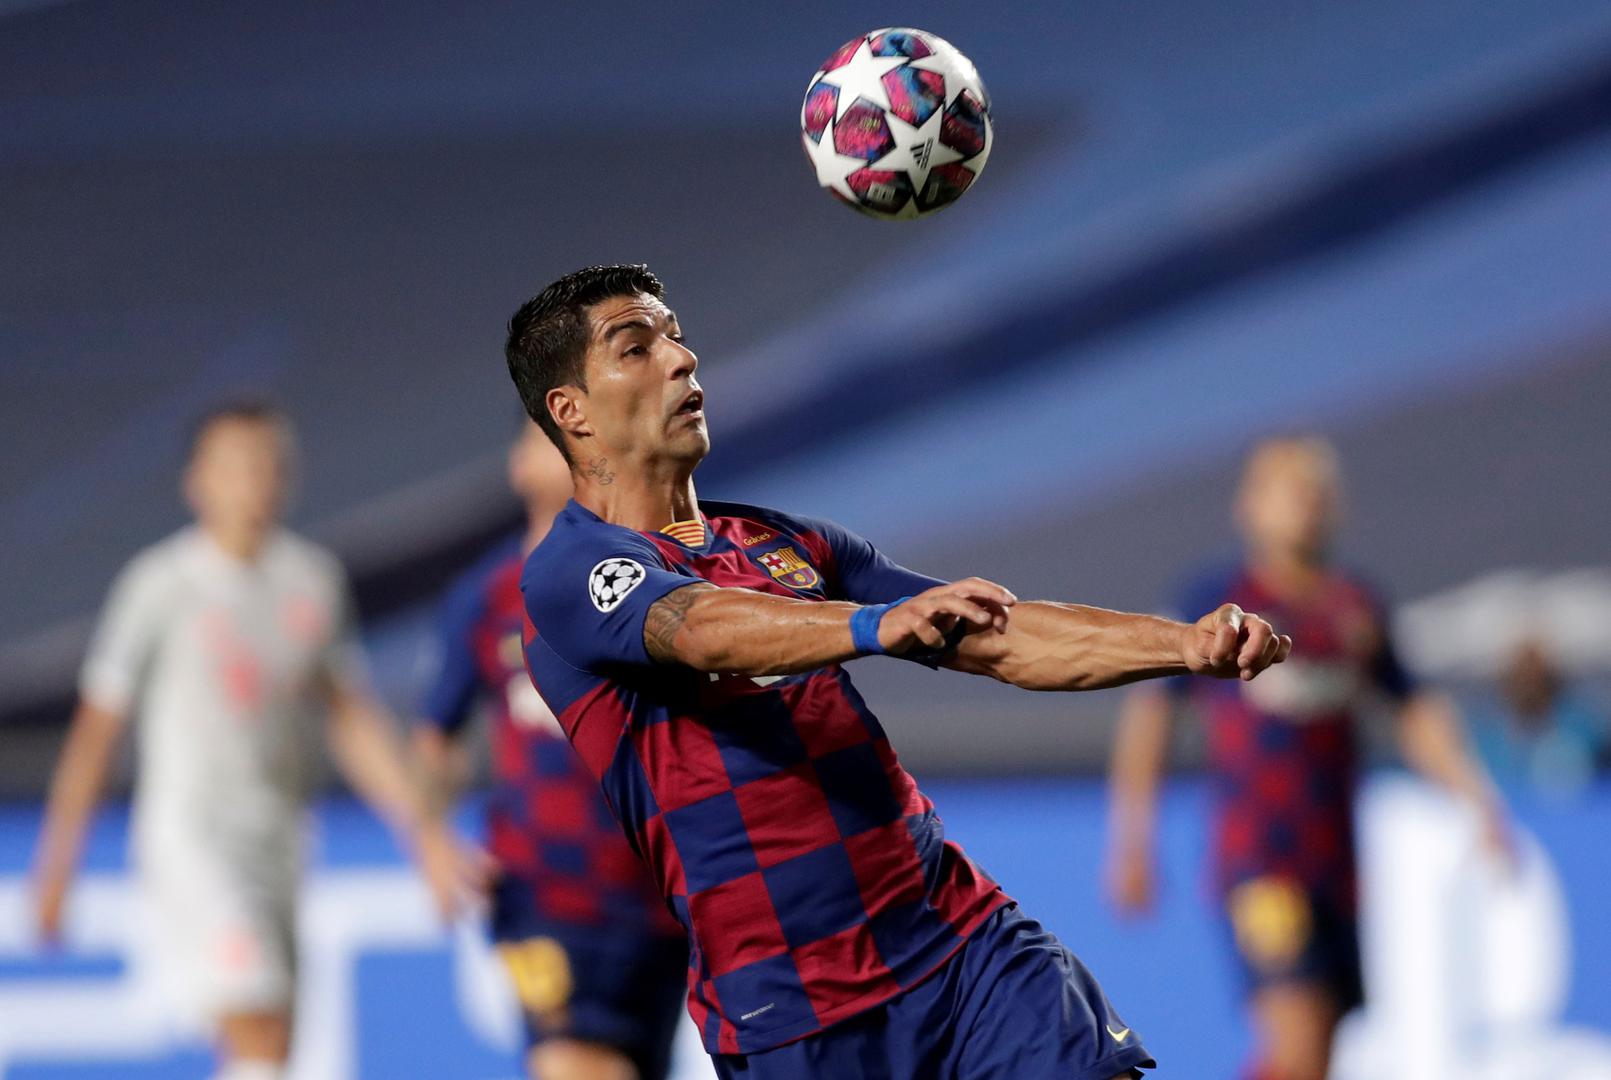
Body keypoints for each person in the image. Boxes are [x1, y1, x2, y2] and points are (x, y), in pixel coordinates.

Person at [501, 263, 1294, 1080]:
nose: (681, 359)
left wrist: (1182, 647)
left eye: (674, 334)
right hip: (793, 1005)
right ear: (572, 413)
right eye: (637, 347)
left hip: (956, 938)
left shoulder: (785, 543)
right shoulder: (568, 573)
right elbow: (700, 630)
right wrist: (871, 624)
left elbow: (1001, 636)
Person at [31, 402, 463, 1080]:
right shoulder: (160, 586)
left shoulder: (310, 580)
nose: (252, 482)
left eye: (266, 465)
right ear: (195, 482)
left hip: (280, 836)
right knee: (254, 1020)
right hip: (194, 836)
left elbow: (350, 718)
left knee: (272, 1043)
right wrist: (57, 865)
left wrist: (426, 839)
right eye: (234, 466)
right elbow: (95, 734)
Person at [1105, 435, 1506, 1080]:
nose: (1308, 506)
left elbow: (1414, 711)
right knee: (1296, 1030)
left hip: (1335, 864)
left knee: (1319, 1054)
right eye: (1291, 491)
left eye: (1319, 492)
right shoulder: (1221, 599)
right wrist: (1132, 839)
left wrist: (1478, 800)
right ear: (1250, 507)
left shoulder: (1356, 607)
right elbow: (1153, 714)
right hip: (1261, 860)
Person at [414, 420, 687, 1080]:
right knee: (574, 1064)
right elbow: (434, 735)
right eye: (550, 440)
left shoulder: (662, 589)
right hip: (541, 892)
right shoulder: (489, 597)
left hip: (655, 900)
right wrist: (432, 838)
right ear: (518, 464)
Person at [1469, 635, 1608, 799]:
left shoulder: (1582, 729)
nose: (1529, 681)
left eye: (1536, 673)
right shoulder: (1488, 738)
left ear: (1552, 677)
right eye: (1522, 673)